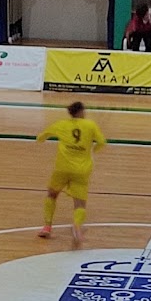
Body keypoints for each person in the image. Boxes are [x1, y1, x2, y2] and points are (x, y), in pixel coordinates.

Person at [37, 101, 107, 247]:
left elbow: (41, 137)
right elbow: (101, 142)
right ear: (81, 112)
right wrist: (92, 151)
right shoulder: (90, 125)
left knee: (52, 194)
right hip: (81, 170)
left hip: (62, 168)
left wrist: (43, 139)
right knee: (80, 203)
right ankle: (76, 227)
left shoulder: (61, 124)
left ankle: (47, 227)